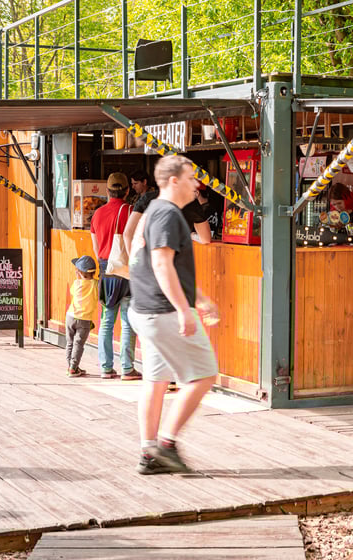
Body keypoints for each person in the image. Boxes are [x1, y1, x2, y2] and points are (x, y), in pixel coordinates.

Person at [128, 155, 220, 475]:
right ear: (174, 181)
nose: (198, 185)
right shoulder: (168, 215)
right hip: (164, 311)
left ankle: (148, 453)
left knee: (155, 381)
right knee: (204, 374)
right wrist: (185, 309)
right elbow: (161, 265)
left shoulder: (154, 211)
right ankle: (165, 445)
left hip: (146, 309)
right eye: (192, 178)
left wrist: (199, 298)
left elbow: (160, 267)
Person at [90, 172, 139, 380]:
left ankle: (105, 367)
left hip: (106, 270)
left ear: (107, 191)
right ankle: (127, 368)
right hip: (128, 271)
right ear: (127, 190)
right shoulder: (131, 211)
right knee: (128, 321)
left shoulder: (97, 214)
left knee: (107, 320)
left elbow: (95, 247)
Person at [65, 255, 98, 378]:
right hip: (84, 320)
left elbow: (73, 292)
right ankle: (73, 368)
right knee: (78, 344)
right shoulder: (95, 284)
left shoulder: (76, 283)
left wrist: (78, 277)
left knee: (70, 343)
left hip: (70, 316)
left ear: (78, 272)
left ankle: (71, 366)